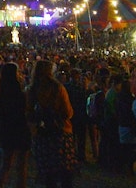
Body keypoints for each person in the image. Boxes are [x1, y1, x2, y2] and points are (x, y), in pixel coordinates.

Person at [28, 60, 78, 188]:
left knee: (49, 175)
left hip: (42, 134)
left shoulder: (32, 90)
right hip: (61, 133)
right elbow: (68, 112)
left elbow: (29, 114)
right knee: (65, 173)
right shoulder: (58, 88)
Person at [0, 62, 31, 188]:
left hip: (6, 130)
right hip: (21, 129)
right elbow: (26, 111)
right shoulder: (20, 94)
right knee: (21, 166)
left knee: (6, 164)